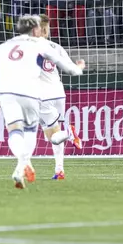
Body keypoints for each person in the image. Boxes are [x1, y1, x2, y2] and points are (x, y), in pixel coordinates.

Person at [0, 15, 84, 189]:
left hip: (6, 91)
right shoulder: (41, 44)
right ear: (35, 30)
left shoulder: (5, 46)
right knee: (34, 132)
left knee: (15, 131)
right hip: (35, 92)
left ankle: (23, 164)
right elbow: (67, 67)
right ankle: (39, 166)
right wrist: (79, 69)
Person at [37, 14, 83, 180]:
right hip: (59, 93)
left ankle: (70, 133)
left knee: (53, 136)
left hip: (43, 95)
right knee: (56, 134)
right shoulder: (56, 47)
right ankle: (59, 170)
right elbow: (71, 68)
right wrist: (80, 66)